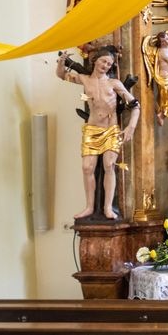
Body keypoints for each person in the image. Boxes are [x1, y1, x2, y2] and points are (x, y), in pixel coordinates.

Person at [57, 47, 139, 220]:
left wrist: (131, 126)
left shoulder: (114, 84)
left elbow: (135, 106)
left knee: (109, 165)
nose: (106, 65)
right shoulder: (84, 79)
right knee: (87, 167)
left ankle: (108, 207)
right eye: (103, 61)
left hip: (111, 130)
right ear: (95, 61)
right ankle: (89, 207)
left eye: (109, 64)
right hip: (92, 130)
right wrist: (61, 61)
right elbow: (61, 75)